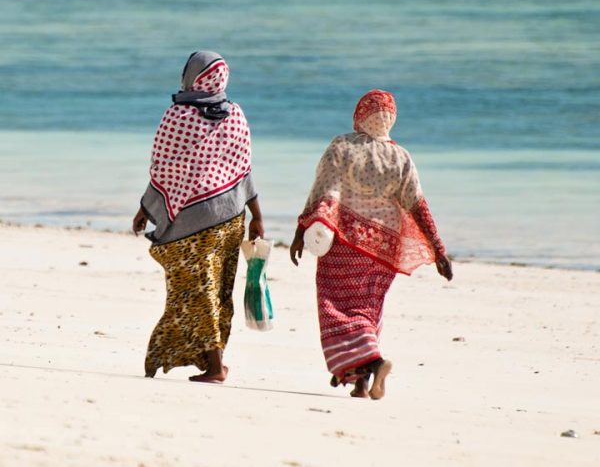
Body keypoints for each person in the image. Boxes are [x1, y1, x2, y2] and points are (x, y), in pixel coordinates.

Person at [289, 89, 452, 399]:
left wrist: (302, 229)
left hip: (345, 244)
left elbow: (325, 192)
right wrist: (438, 249)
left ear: (360, 116)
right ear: (390, 119)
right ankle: (359, 382)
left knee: (335, 307)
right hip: (383, 248)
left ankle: (374, 363)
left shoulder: (342, 146)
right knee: (366, 309)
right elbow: (418, 205)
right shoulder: (401, 156)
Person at [133, 51, 263, 384]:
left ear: (191, 77)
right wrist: (256, 216)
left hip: (190, 220)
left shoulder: (177, 115)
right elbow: (243, 169)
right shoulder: (235, 114)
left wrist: (146, 208)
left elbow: (164, 169)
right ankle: (211, 359)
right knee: (216, 290)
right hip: (231, 215)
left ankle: (215, 365)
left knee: (194, 289)